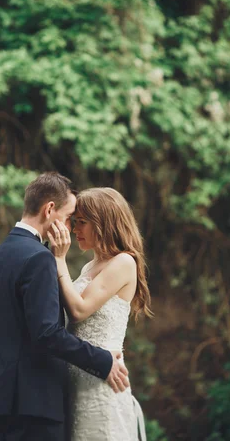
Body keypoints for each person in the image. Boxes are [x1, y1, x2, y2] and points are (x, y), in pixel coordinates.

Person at [0, 173, 130, 441]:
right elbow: (46, 333)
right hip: (34, 404)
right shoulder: (39, 258)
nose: (70, 226)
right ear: (50, 209)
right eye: (70, 216)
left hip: (0, 400)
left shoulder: (1, 253)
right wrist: (102, 360)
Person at [48, 187, 153, 441]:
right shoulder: (89, 266)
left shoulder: (124, 262)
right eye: (75, 222)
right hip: (78, 380)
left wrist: (59, 259)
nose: (75, 230)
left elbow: (78, 310)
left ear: (104, 223)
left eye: (82, 223)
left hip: (102, 382)